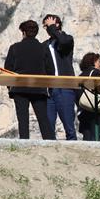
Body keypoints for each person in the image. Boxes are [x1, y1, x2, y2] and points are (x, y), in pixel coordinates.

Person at [4, 19, 55, 140]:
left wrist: (10, 87)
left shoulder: (15, 48)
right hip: (39, 88)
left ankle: (24, 143)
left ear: (23, 32)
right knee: (43, 119)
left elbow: (7, 70)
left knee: (23, 120)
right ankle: (50, 142)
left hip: (19, 88)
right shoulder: (43, 48)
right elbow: (51, 70)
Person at [41, 13, 77, 141]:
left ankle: (73, 146)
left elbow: (63, 41)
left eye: (49, 25)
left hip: (65, 87)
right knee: (49, 127)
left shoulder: (67, 39)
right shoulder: (45, 45)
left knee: (69, 125)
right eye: (46, 26)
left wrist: (53, 28)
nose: (47, 28)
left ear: (57, 24)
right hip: (50, 89)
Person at [76, 52, 100, 142]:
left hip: (83, 110)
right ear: (94, 61)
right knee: (96, 138)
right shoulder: (95, 72)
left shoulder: (81, 75)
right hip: (95, 111)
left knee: (87, 138)